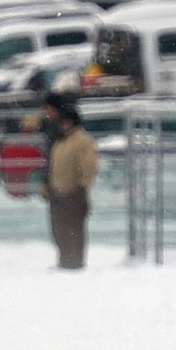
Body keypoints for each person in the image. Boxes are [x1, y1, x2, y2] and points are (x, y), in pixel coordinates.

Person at [40, 100, 98, 270]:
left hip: (74, 193)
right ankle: (65, 260)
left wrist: (82, 187)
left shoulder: (82, 141)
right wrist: (48, 186)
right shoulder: (60, 142)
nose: (63, 125)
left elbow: (89, 166)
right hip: (57, 194)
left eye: (66, 122)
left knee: (74, 230)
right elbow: (51, 167)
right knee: (59, 231)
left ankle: (75, 262)